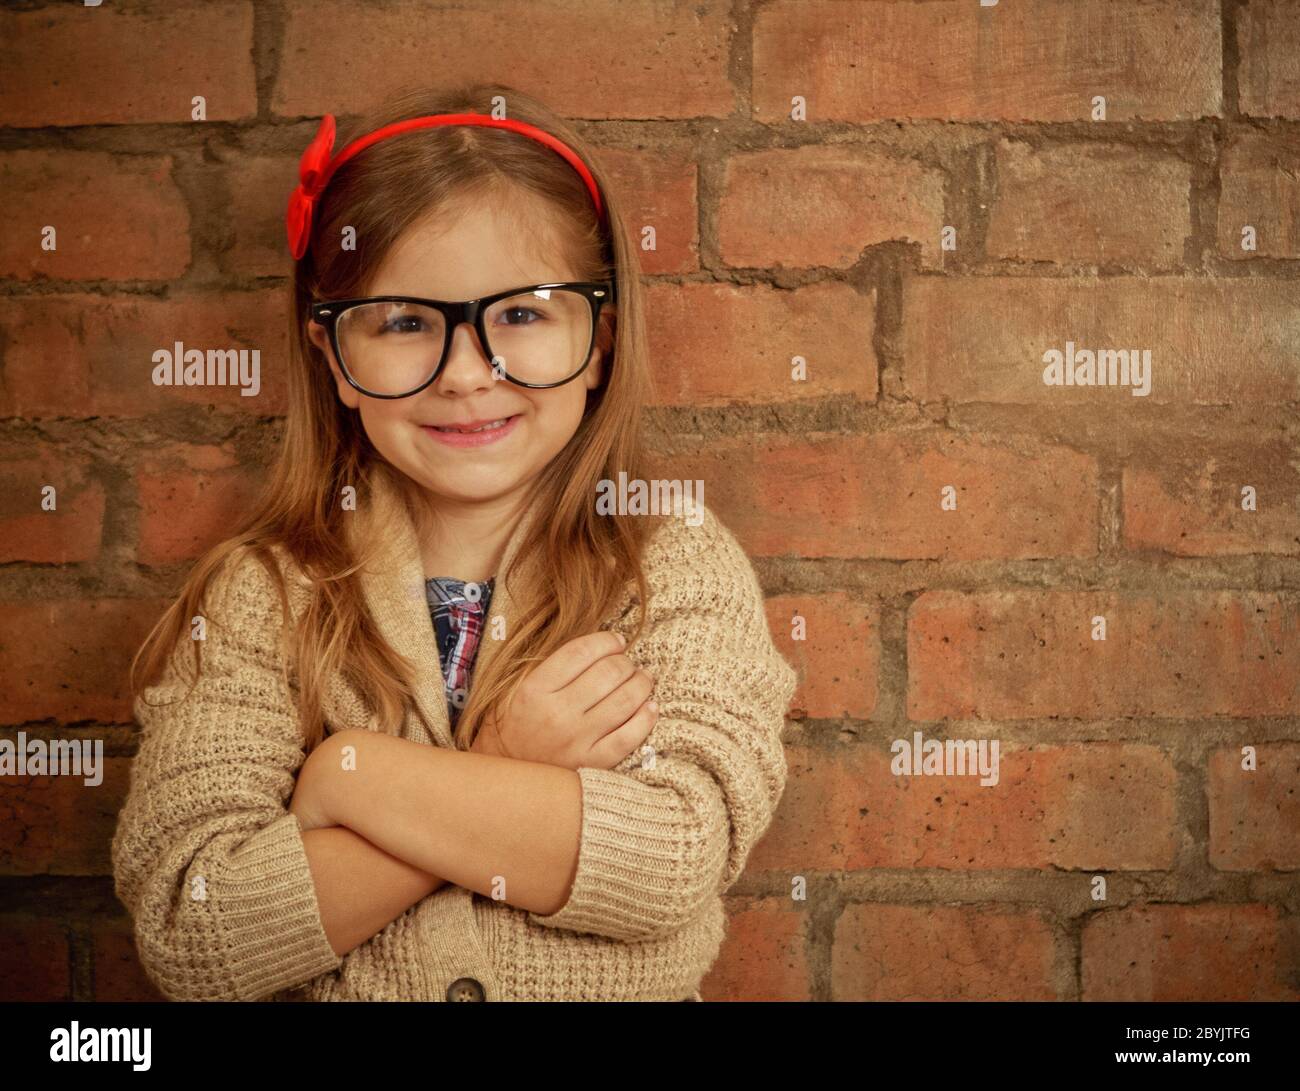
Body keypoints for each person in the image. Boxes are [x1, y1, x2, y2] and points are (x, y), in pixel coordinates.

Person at [111, 82, 798, 1002]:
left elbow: (671, 858)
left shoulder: (667, 561)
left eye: (521, 313)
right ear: (334, 360)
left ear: (598, 339)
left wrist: (349, 775)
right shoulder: (264, 593)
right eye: (404, 323)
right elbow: (196, 928)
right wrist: (504, 771)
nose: (469, 376)